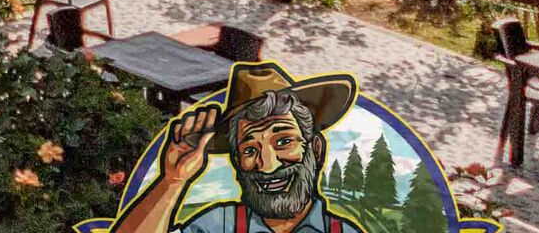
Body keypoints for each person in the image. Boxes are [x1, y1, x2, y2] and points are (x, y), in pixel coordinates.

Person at [111, 60, 375, 233]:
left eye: (283, 142)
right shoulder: (220, 225)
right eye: (249, 150)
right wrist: (172, 181)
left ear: (315, 149)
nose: (268, 165)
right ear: (236, 162)